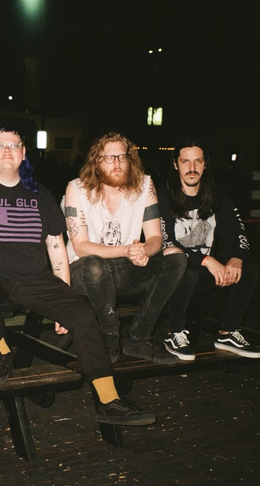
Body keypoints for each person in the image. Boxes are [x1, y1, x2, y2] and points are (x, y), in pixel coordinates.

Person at [0, 124, 156, 426]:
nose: (7, 151)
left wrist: (63, 300)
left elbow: (56, 248)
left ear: (23, 153)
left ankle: (109, 401)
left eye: (13, 145)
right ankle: (0, 350)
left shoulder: (40, 195)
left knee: (82, 314)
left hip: (33, 278)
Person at [64, 132, 187, 364]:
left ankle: (138, 338)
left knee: (176, 260)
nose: (117, 163)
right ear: (96, 162)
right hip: (85, 273)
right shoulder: (77, 188)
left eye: (122, 156)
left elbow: (155, 237)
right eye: (109, 158)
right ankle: (109, 337)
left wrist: (144, 251)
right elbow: (80, 247)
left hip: (125, 268)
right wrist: (126, 250)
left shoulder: (144, 185)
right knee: (94, 264)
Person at [158, 137, 260, 360]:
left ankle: (227, 332)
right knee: (186, 270)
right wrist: (206, 260)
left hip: (206, 272)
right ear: (175, 164)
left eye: (198, 161)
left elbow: (237, 233)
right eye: (185, 161)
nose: (192, 167)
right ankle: (174, 333)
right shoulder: (163, 196)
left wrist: (236, 257)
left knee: (249, 267)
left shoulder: (216, 196)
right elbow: (166, 243)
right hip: (170, 271)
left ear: (205, 164)